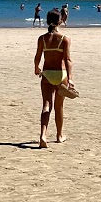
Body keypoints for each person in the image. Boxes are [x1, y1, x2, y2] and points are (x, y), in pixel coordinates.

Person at [34, 10, 72, 149]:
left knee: (46, 106)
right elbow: (67, 60)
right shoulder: (64, 39)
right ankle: (59, 135)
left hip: (47, 74)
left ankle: (43, 135)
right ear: (60, 21)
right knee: (59, 106)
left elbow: (38, 56)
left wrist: (36, 68)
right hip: (61, 74)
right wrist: (71, 78)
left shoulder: (42, 39)